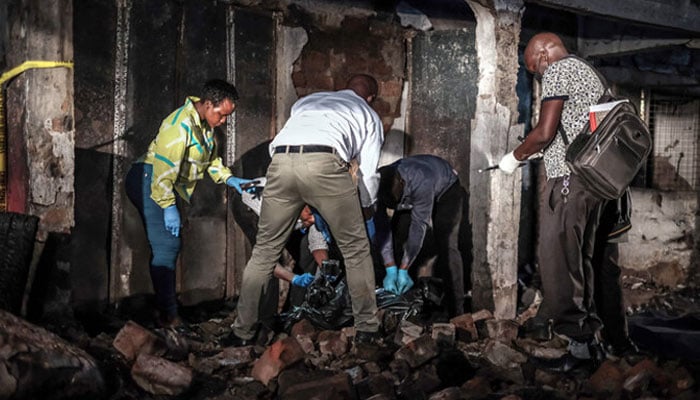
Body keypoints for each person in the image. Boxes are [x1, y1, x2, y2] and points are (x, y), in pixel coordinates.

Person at [226, 74, 384, 346]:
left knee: (264, 252)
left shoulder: (310, 101)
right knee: (356, 250)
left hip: (280, 161)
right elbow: (369, 174)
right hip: (325, 162)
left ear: (342, 89)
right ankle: (368, 330)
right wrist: (367, 210)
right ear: (371, 98)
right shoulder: (368, 114)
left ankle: (241, 333)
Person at [498, 33, 606, 370]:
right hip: (593, 181)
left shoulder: (559, 70)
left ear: (544, 54)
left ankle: (579, 349)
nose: (539, 76)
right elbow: (574, 129)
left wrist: (513, 158)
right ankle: (580, 338)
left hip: (569, 181)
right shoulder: (592, 73)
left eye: (535, 70)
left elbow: (545, 132)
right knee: (578, 260)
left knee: (557, 259)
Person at [125, 79, 254, 328]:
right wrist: (167, 205)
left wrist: (229, 178)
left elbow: (209, 160)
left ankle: (164, 310)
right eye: (222, 114)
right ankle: (169, 317)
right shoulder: (179, 126)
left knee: (168, 245)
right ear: (207, 104)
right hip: (150, 178)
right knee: (166, 245)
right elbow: (163, 169)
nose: (224, 121)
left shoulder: (204, 127)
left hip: (165, 183)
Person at [375, 154, 468, 317]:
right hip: (411, 192)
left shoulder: (421, 181)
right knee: (397, 236)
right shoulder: (376, 186)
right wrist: (390, 267)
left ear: (402, 185)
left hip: (446, 188)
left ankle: (456, 311)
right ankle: (400, 305)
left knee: (447, 244)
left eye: (395, 202)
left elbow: (418, 227)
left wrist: (403, 269)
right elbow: (383, 229)